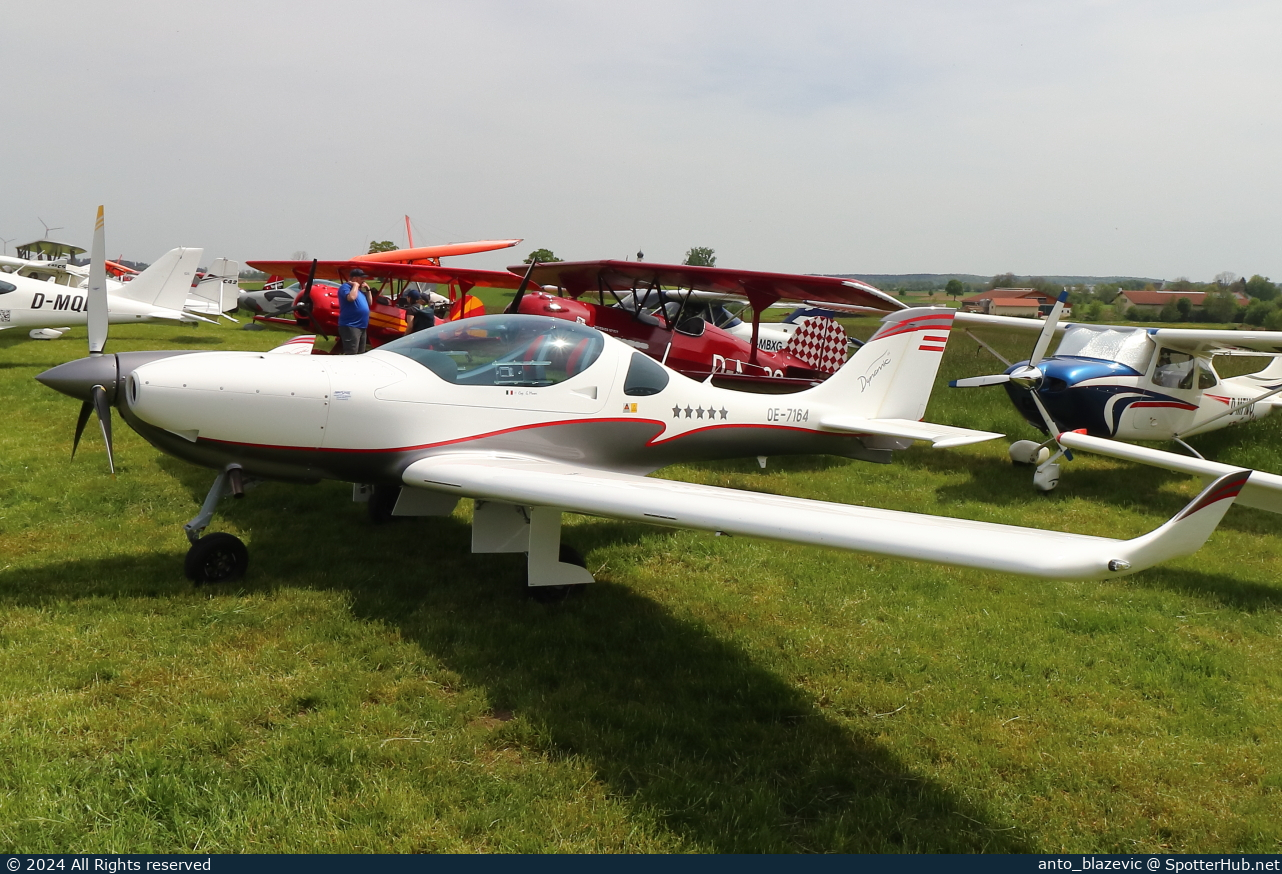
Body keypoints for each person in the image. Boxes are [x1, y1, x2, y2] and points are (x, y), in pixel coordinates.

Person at [336, 268, 371, 354]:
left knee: (361, 353)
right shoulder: (345, 287)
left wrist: (368, 289)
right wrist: (355, 286)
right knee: (352, 352)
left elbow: (370, 302)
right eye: (361, 278)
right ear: (355, 278)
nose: (363, 280)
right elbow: (351, 298)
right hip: (351, 325)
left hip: (362, 326)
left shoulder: (359, 291)